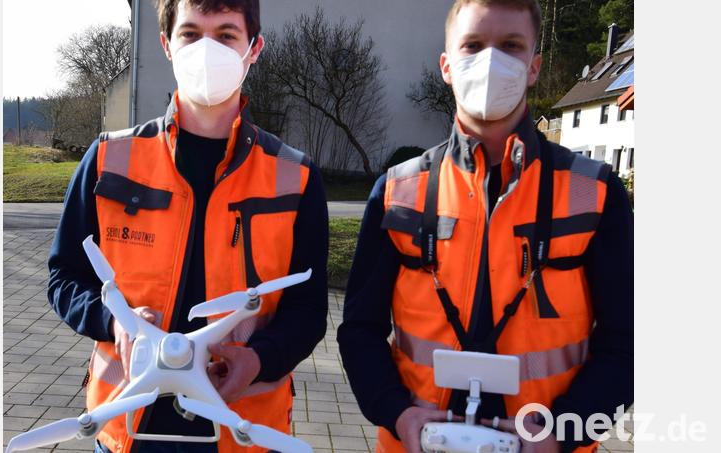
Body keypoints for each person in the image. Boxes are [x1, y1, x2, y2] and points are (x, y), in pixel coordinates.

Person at [337, 1, 633, 452]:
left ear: (534, 67)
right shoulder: (396, 192)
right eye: (473, 45)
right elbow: (359, 330)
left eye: (511, 46)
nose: (491, 60)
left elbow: (627, 345)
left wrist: (562, 432)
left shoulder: (595, 193)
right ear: (446, 66)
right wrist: (396, 412)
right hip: (418, 443)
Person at [47, 1, 329, 452]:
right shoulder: (107, 160)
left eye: (227, 35)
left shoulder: (296, 177)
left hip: (242, 430)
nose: (207, 50)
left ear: (254, 48)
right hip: (124, 428)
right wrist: (111, 321)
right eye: (191, 34)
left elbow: (309, 308)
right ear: (167, 44)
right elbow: (64, 277)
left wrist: (259, 359)